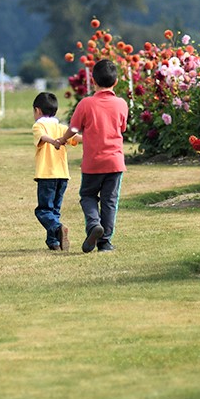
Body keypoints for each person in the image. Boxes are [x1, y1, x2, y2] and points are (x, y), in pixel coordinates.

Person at [55, 58, 128, 253]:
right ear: (116, 81)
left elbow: (73, 128)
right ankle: (105, 242)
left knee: (87, 195)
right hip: (115, 162)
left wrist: (62, 140)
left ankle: (94, 224)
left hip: (93, 163)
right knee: (110, 201)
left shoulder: (86, 104)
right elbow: (123, 127)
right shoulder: (121, 104)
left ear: (93, 81)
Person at [31, 91, 78, 251]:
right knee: (54, 210)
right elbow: (75, 138)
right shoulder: (62, 127)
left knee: (43, 210)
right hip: (63, 176)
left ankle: (58, 229)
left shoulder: (39, 125)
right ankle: (55, 243)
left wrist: (53, 142)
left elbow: (43, 137)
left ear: (37, 110)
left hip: (46, 175)